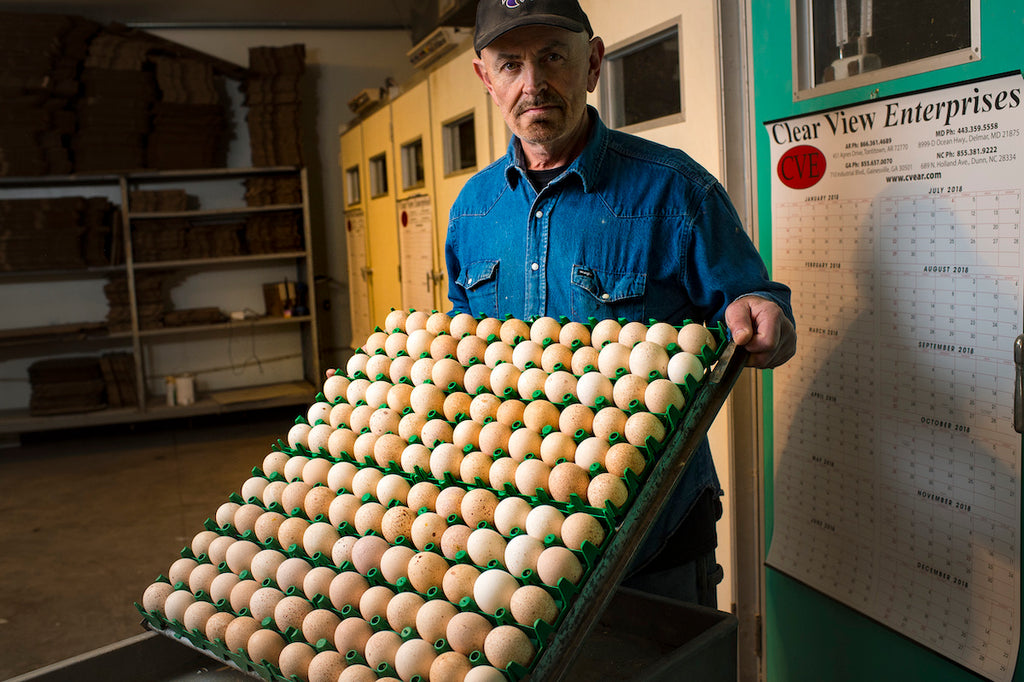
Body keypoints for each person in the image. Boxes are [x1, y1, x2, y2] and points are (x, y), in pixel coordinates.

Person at [444, 0, 797, 607]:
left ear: (593, 62)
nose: (533, 84)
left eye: (553, 56)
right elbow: (461, 345)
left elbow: (751, 298)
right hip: (512, 533)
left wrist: (766, 315)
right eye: (510, 64)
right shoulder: (472, 211)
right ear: (486, 77)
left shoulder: (674, 189)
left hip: (653, 539)